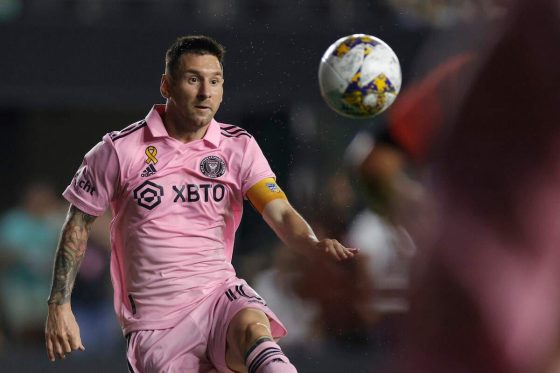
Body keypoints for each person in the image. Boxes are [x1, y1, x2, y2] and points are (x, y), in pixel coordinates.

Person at [44, 35, 357, 373]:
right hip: (156, 324)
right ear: (167, 85)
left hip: (217, 294)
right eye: (193, 79)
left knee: (255, 330)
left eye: (215, 80)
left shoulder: (238, 147)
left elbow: (278, 209)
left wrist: (310, 244)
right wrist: (59, 305)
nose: (206, 92)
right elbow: (78, 222)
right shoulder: (119, 151)